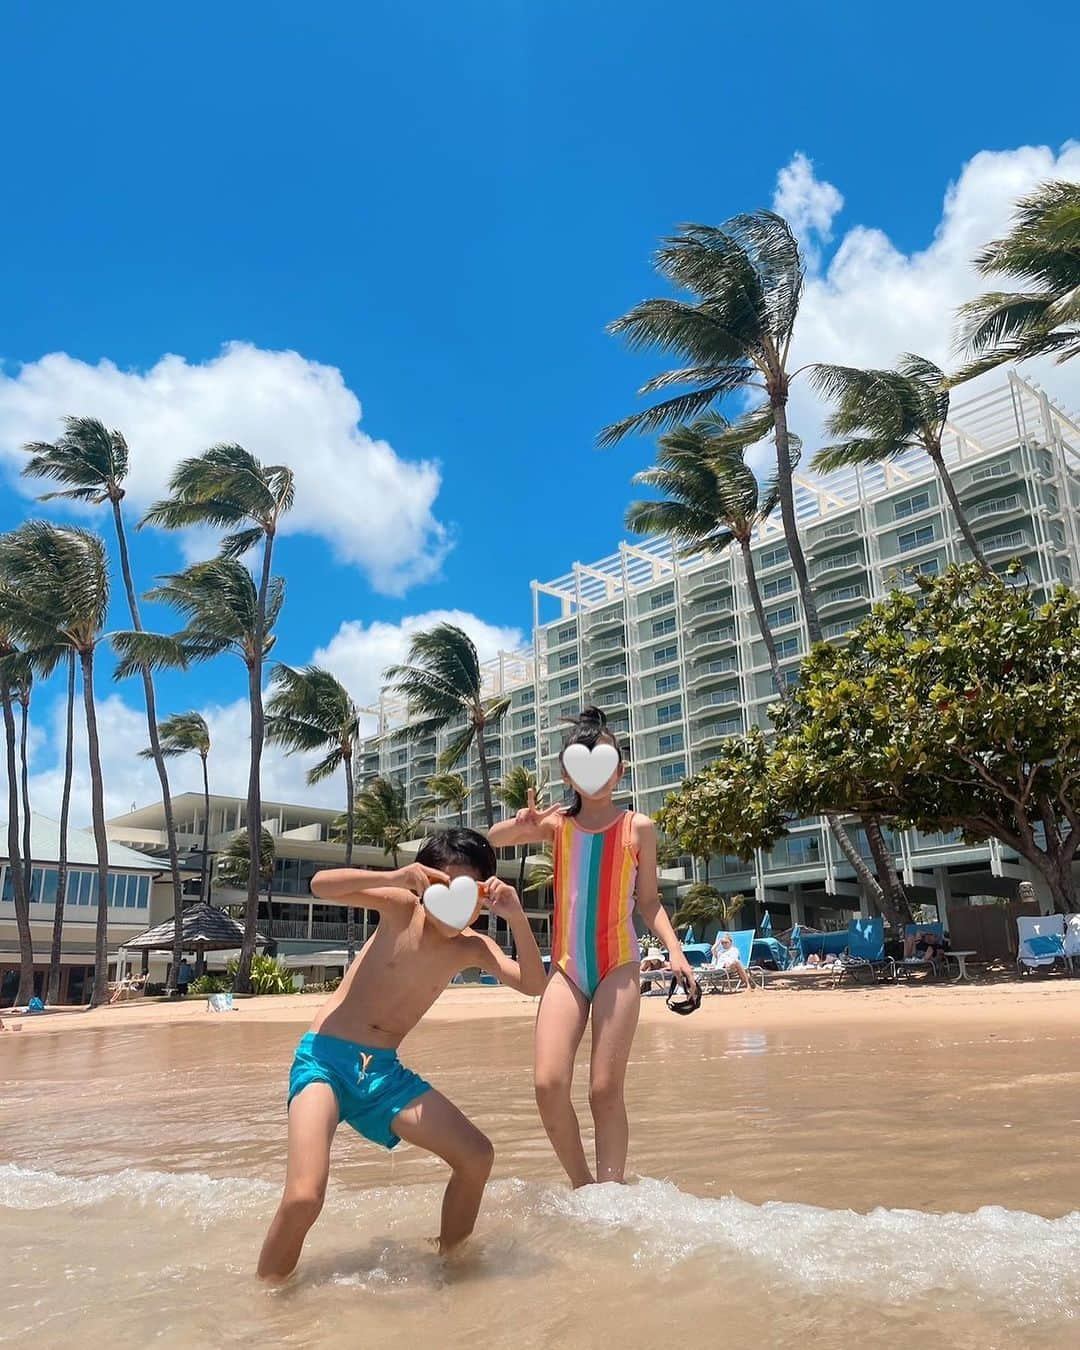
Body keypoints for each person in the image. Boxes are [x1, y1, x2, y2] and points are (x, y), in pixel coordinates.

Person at [256, 828, 546, 1282]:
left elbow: (533, 984)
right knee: (303, 1197)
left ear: (483, 895)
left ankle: (451, 1267)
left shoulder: (472, 946)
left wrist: (516, 917)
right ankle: (265, 1305)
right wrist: (398, 875)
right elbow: (320, 885)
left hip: (384, 1077)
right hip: (324, 1062)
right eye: (440, 885)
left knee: (477, 1156)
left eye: (466, 891)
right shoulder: (400, 907)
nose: (452, 900)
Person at [489, 705, 696, 1189]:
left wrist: (678, 955)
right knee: (547, 1084)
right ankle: (585, 1187)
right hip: (566, 966)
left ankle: (612, 1191)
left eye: (606, 763)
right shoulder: (556, 823)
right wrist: (522, 823)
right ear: (568, 774)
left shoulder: (637, 827)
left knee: (604, 1089)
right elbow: (492, 840)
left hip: (618, 965)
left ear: (620, 770)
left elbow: (649, 903)